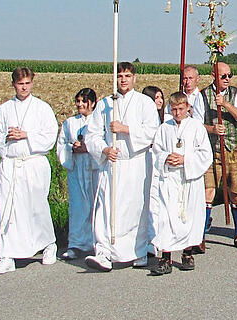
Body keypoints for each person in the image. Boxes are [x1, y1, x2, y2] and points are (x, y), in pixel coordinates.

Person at [84, 62, 160, 272]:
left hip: (136, 163)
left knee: (135, 208)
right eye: (119, 76)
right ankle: (104, 252)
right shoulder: (106, 104)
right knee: (106, 207)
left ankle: (138, 251)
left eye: (127, 75)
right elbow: (92, 134)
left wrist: (125, 129)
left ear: (134, 78)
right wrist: (104, 149)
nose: (123, 80)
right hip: (113, 162)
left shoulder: (144, 103)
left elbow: (153, 131)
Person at [0, 67, 59, 274]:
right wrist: (6, 137)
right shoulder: (4, 109)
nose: (24, 88)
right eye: (20, 84)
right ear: (13, 84)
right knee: (9, 209)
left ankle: (48, 244)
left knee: (37, 207)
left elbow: (50, 136)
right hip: (11, 164)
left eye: (27, 83)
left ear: (32, 83)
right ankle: (7, 255)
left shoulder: (42, 108)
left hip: (33, 163)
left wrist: (27, 135)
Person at [147, 91, 213, 275]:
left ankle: (187, 253)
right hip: (170, 179)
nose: (177, 113)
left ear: (188, 108)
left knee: (189, 217)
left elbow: (205, 154)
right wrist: (166, 157)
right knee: (166, 218)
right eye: (174, 109)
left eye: (181, 109)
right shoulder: (164, 128)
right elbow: (156, 151)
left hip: (190, 179)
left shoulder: (196, 127)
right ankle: (165, 257)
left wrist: (185, 160)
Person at [201, 61, 237, 250]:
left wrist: (225, 104)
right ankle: (200, 236)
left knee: (236, 193)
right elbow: (196, 122)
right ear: (214, 76)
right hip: (211, 149)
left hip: (233, 149)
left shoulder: (236, 93)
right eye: (223, 76)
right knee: (208, 192)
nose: (227, 79)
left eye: (230, 75)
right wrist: (211, 129)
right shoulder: (203, 95)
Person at [56, 87, 99, 260]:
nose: (80, 104)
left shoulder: (98, 121)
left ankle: (98, 243)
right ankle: (76, 244)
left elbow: (103, 142)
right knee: (78, 207)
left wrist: (88, 148)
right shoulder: (70, 123)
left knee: (97, 206)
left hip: (94, 168)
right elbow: (61, 144)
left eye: (84, 101)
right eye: (78, 101)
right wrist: (71, 149)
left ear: (93, 103)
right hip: (77, 168)